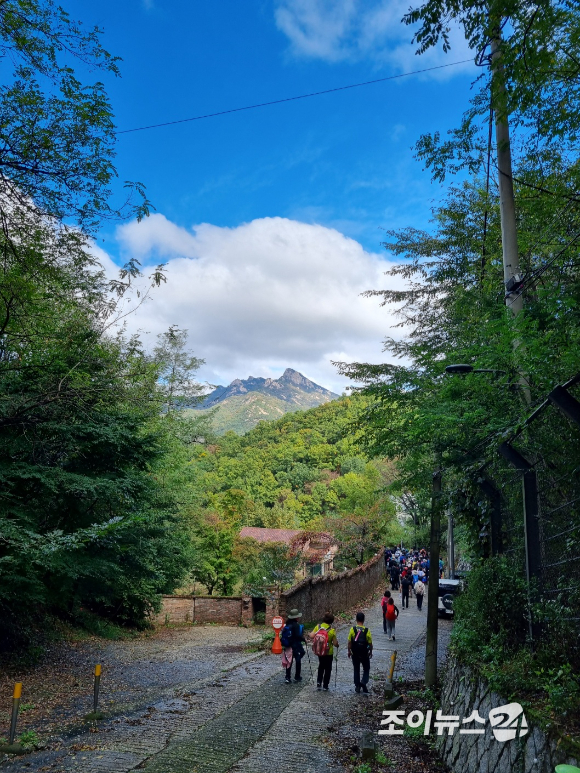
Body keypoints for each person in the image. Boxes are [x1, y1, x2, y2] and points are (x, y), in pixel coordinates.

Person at [310, 612, 339, 691]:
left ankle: (319, 681)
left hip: (320, 651)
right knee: (328, 668)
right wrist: (337, 645)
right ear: (331, 621)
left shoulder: (318, 627)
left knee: (321, 665)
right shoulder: (332, 630)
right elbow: (335, 643)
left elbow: (312, 636)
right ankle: (325, 685)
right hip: (328, 652)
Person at [348, 612, 373, 693]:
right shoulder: (367, 630)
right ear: (364, 620)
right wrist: (370, 651)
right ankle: (363, 682)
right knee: (366, 668)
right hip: (364, 653)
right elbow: (370, 643)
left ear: (356, 619)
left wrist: (349, 651)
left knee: (356, 668)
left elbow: (349, 642)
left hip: (355, 653)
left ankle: (357, 685)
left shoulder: (353, 629)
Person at [281, 609, 306, 683]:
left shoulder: (287, 624)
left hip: (288, 646)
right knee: (298, 659)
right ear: (296, 617)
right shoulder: (296, 625)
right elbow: (298, 636)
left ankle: (287, 677)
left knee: (289, 661)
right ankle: (297, 676)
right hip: (295, 645)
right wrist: (303, 639)